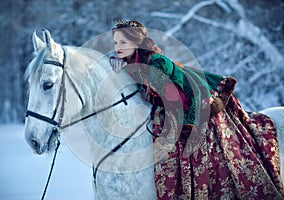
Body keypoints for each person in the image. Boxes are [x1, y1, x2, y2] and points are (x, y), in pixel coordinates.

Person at [109, 20, 284, 199]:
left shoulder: (156, 62)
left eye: (123, 42)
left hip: (196, 100)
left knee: (205, 146)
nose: (118, 47)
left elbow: (181, 93)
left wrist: (189, 124)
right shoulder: (132, 61)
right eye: (115, 42)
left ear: (137, 42)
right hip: (173, 104)